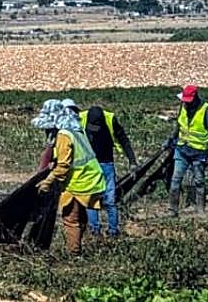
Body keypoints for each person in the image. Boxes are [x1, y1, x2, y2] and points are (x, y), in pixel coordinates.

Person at [33, 99, 106, 254]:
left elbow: (63, 166)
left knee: (70, 218)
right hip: (92, 177)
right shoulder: (75, 129)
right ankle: (78, 247)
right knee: (80, 216)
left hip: (80, 180)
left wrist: (47, 182)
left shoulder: (64, 135)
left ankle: (74, 254)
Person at [80, 103, 138, 237]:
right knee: (91, 199)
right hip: (89, 165)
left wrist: (132, 161)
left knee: (110, 200)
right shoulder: (81, 118)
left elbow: (123, 140)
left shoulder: (110, 119)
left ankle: (113, 231)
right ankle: (95, 231)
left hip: (107, 164)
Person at [168, 84, 208, 215]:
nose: (187, 104)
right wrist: (171, 138)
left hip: (199, 152)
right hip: (182, 149)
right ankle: (172, 209)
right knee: (176, 179)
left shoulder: (206, 111)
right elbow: (179, 125)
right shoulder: (183, 107)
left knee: (199, 180)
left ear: (195, 99)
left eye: (189, 102)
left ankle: (200, 209)